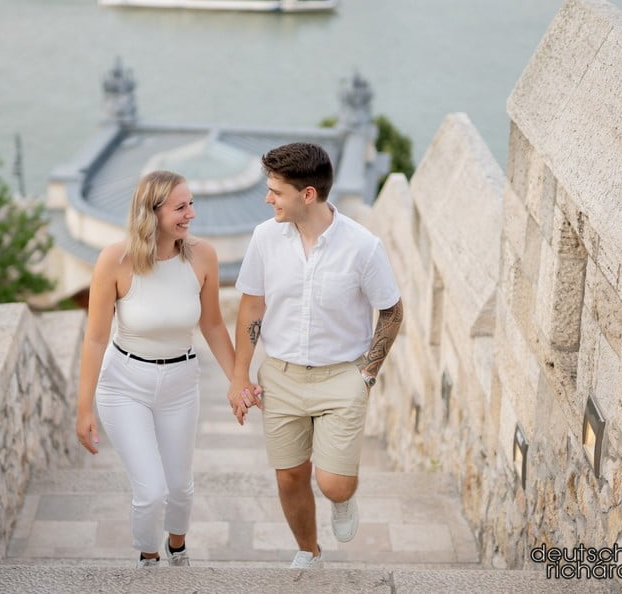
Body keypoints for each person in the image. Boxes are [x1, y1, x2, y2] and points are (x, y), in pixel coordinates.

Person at [229, 142, 403, 569]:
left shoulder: (363, 247)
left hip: (342, 377)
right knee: (290, 476)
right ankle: (309, 550)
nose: (268, 199)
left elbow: (392, 311)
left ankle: (343, 499)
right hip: (281, 375)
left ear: (308, 194)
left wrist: (367, 374)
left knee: (334, 484)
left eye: (276, 191)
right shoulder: (265, 238)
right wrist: (239, 376)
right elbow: (251, 307)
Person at [75, 170, 257, 568]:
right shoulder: (115, 261)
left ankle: (177, 547)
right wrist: (84, 408)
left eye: (191, 203)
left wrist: (239, 381)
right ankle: (149, 556)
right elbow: (95, 338)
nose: (191, 214)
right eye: (180, 207)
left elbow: (213, 325)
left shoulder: (203, 256)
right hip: (124, 385)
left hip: (180, 384)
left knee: (180, 487)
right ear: (152, 212)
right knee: (151, 491)